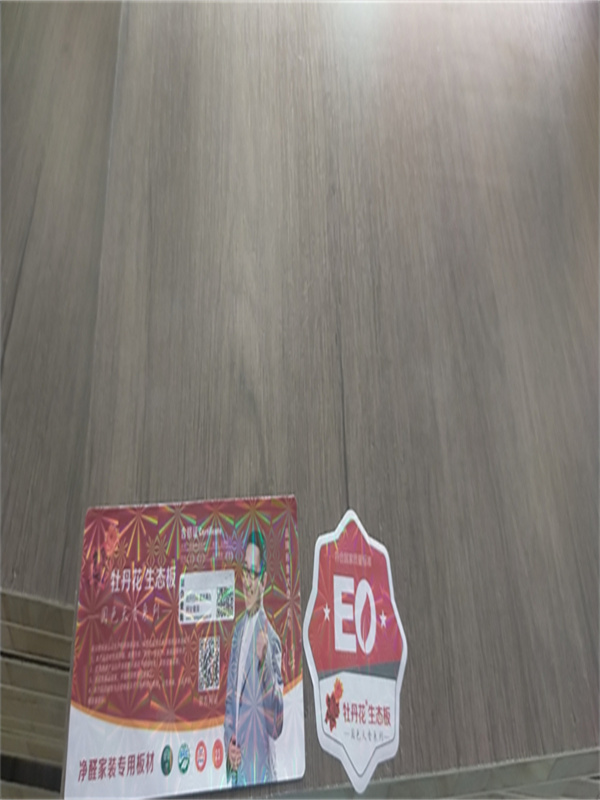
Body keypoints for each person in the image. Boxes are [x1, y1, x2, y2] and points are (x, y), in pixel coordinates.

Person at [224, 529, 284, 785]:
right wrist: (228, 745)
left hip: (261, 777)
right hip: (236, 776)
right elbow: (230, 700)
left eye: (254, 573)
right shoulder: (237, 632)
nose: (248, 582)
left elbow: (276, 725)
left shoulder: (271, 640)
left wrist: (263, 663)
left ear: (264, 580)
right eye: (245, 572)